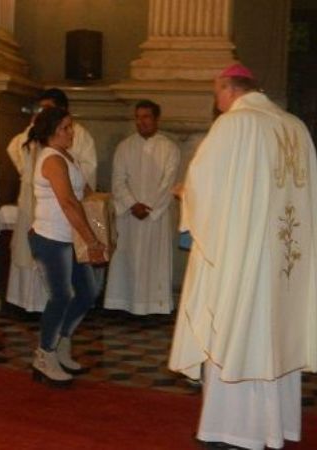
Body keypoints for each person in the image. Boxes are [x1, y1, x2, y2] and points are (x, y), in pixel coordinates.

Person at [169, 64, 317, 450]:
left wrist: (186, 194)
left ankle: (231, 431)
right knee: (275, 336)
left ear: (229, 88)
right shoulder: (296, 127)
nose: (216, 102)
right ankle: (277, 426)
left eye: (216, 93)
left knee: (238, 331)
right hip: (285, 262)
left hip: (244, 261)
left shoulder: (234, 125)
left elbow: (206, 187)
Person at [27, 107, 107, 386]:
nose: (72, 132)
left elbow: (84, 193)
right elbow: (68, 202)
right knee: (60, 297)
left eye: (71, 126)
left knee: (87, 293)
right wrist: (92, 240)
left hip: (70, 237)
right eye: (66, 128)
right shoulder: (51, 159)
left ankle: (61, 342)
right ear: (51, 131)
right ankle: (44, 354)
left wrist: (104, 214)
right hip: (51, 237)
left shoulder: (66, 156)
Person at [4, 89, 98, 314]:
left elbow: (87, 168)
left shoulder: (79, 134)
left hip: (60, 210)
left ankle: (55, 314)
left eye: (47, 108)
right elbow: (15, 149)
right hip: (34, 201)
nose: (42, 112)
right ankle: (32, 307)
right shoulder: (34, 131)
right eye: (41, 108)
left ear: (62, 108)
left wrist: (70, 181)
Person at [104, 100, 180, 315]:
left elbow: (168, 182)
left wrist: (151, 209)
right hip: (130, 216)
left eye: (146, 117)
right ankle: (124, 303)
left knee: (154, 262)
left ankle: (155, 306)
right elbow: (118, 180)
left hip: (156, 216)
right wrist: (132, 204)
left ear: (156, 119)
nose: (141, 122)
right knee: (127, 259)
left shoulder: (169, 148)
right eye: (138, 117)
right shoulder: (125, 147)